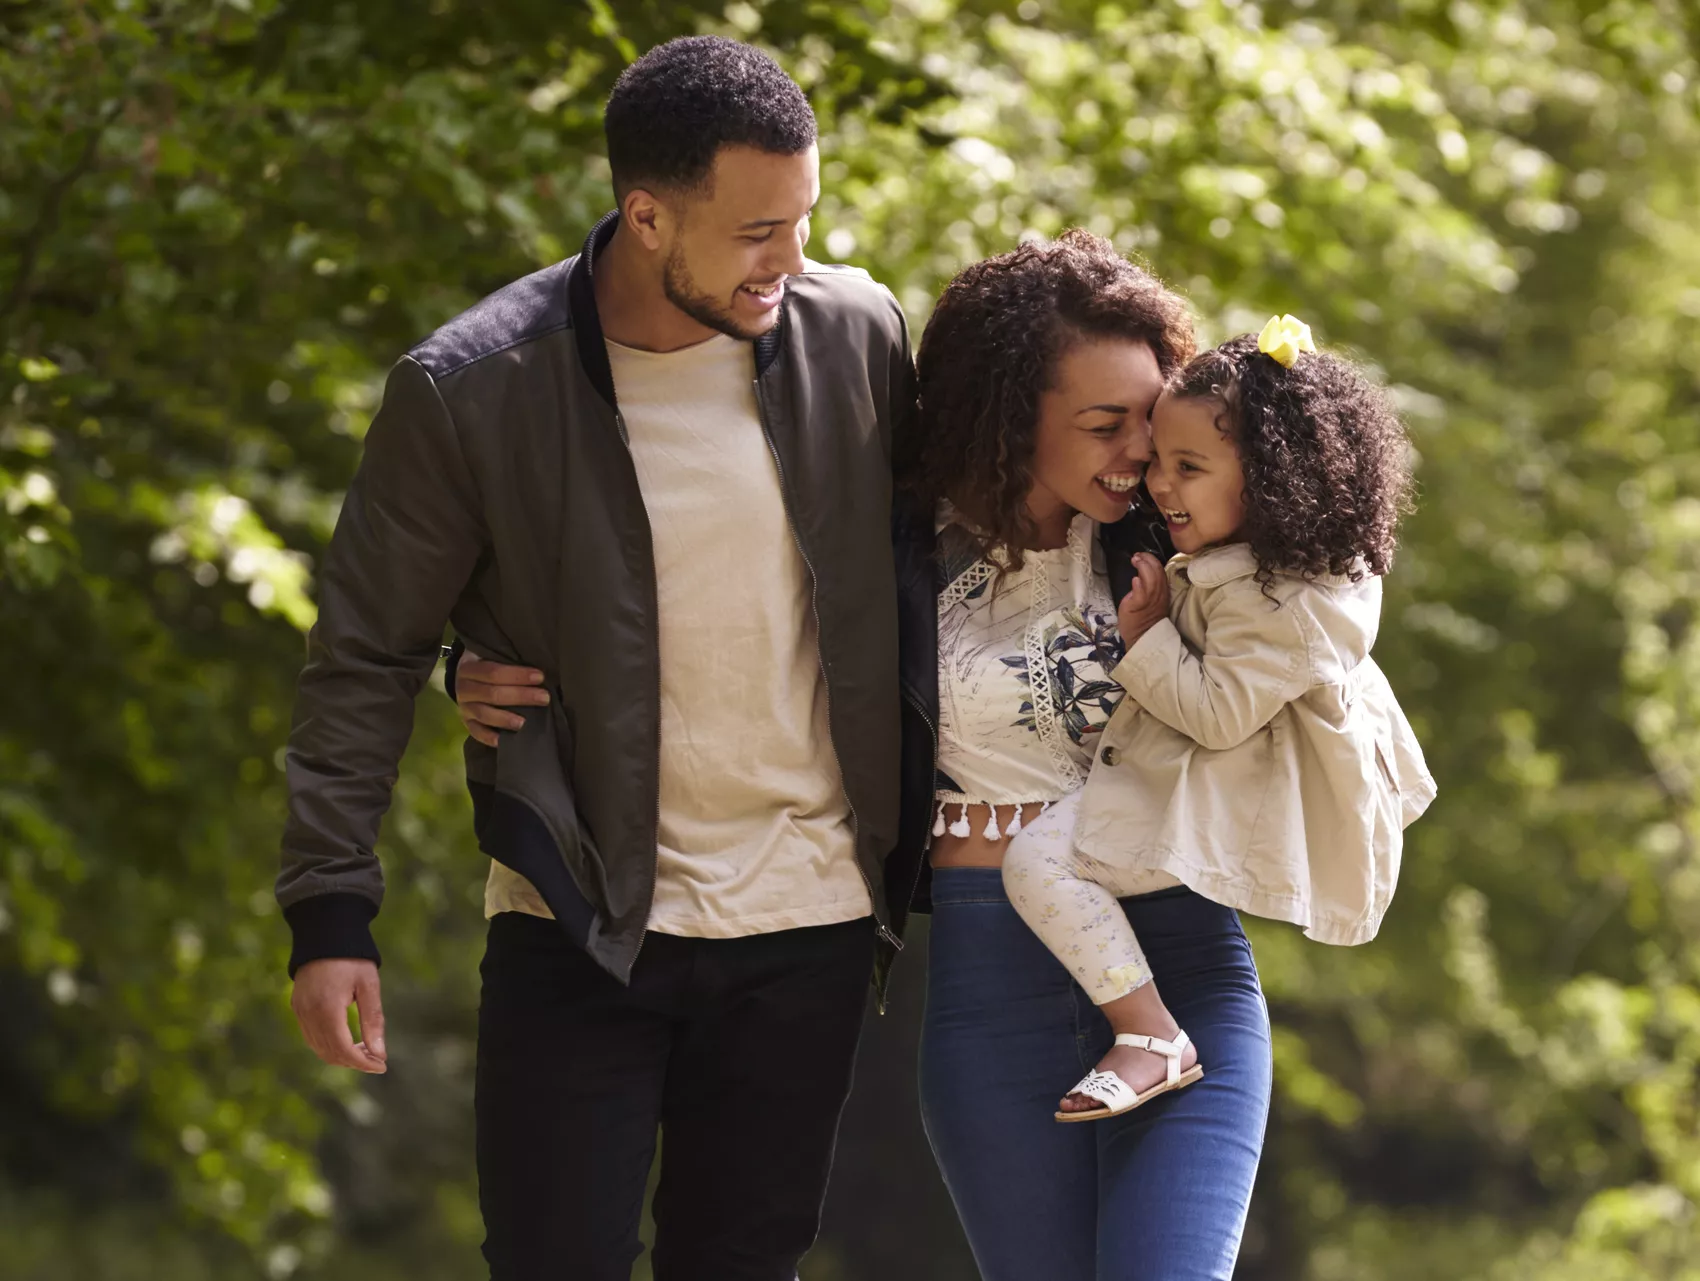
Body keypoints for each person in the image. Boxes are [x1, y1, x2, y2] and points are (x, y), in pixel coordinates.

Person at [464, 230, 1273, 1280]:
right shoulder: (878, 545)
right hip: (992, 992)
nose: (1139, 454)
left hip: (1180, 967)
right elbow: (681, 603)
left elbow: (1314, 618)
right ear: (1007, 416)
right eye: (1103, 424)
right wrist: (480, 662)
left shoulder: (1178, 539)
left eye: (1151, 422)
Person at [277, 36, 919, 1281]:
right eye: (754, 233)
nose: (790, 260)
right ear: (644, 213)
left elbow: (949, 559)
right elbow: (362, 650)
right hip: (577, 915)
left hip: (809, 918)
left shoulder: (857, 334)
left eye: (803, 221)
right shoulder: (469, 390)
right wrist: (328, 911)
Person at [1002, 316, 1438, 1123]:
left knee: (1037, 864)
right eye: (1160, 461)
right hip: (1196, 785)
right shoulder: (1266, 570)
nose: (1160, 484)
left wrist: (1147, 637)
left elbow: (1214, 713)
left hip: (1226, 800)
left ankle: (1150, 1034)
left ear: (1272, 480)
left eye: (1189, 466)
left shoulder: (1283, 603)